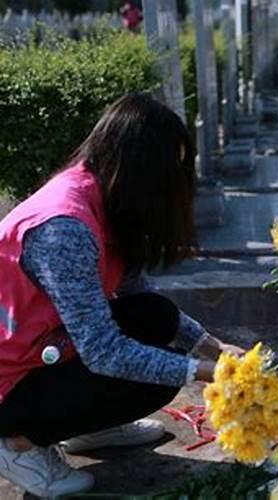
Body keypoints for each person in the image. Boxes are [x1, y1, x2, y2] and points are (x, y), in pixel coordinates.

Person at [0, 93, 242, 497]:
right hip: (8, 382)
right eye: (170, 171)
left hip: (44, 351)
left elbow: (134, 293)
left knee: (154, 316)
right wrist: (202, 373)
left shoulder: (104, 195)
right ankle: (16, 442)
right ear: (139, 168)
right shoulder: (65, 229)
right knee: (159, 379)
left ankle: (88, 427)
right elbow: (104, 352)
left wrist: (213, 347)